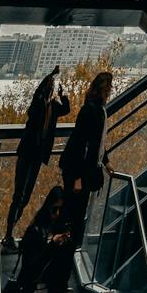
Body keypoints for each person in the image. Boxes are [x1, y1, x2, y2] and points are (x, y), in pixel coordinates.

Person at [5, 186, 75, 293]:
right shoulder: (34, 232)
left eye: (60, 210)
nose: (57, 214)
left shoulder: (54, 231)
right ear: (47, 207)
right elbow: (31, 267)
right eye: (54, 209)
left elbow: (57, 268)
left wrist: (64, 246)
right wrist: (51, 246)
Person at [6, 66, 69, 243]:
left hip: (36, 156)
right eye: (49, 87)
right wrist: (51, 75)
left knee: (25, 196)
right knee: (19, 194)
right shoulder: (38, 105)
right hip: (28, 153)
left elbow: (67, 109)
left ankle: (10, 231)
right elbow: (37, 95)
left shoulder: (54, 107)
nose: (51, 89)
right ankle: (9, 233)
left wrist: (63, 94)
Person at [58, 69, 112, 243]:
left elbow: (94, 142)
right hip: (79, 171)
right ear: (103, 90)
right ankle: (67, 248)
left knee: (73, 210)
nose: (111, 91)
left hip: (80, 170)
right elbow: (82, 144)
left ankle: (67, 248)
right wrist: (78, 177)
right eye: (109, 87)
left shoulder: (94, 109)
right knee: (74, 211)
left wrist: (106, 161)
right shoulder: (93, 110)